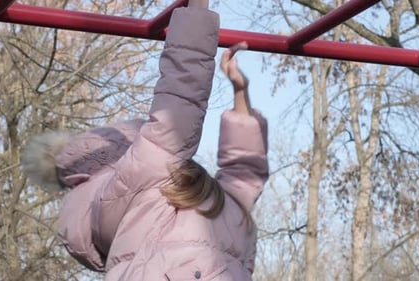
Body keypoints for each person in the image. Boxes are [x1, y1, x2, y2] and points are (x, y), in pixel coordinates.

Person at [21, 0, 268, 279]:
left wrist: (240, 91)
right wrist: (197, 11)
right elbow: (179, 100)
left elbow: (245, 171)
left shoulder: (218, 203)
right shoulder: (140, 181)